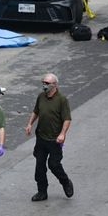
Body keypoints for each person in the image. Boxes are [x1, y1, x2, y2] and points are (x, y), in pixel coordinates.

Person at [24, 73, 73, 201]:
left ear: (54, 85)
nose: (44, 85)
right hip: (41, 138)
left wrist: (62, 134)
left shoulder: (62, 100)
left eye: (47, 83)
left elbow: (67, 119)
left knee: (54, 164)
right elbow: (36, 111)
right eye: (43, 82)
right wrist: (29, 124)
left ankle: (65, 181)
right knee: (39, 166)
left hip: (54, 139)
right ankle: (42, 192)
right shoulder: (41, 96)